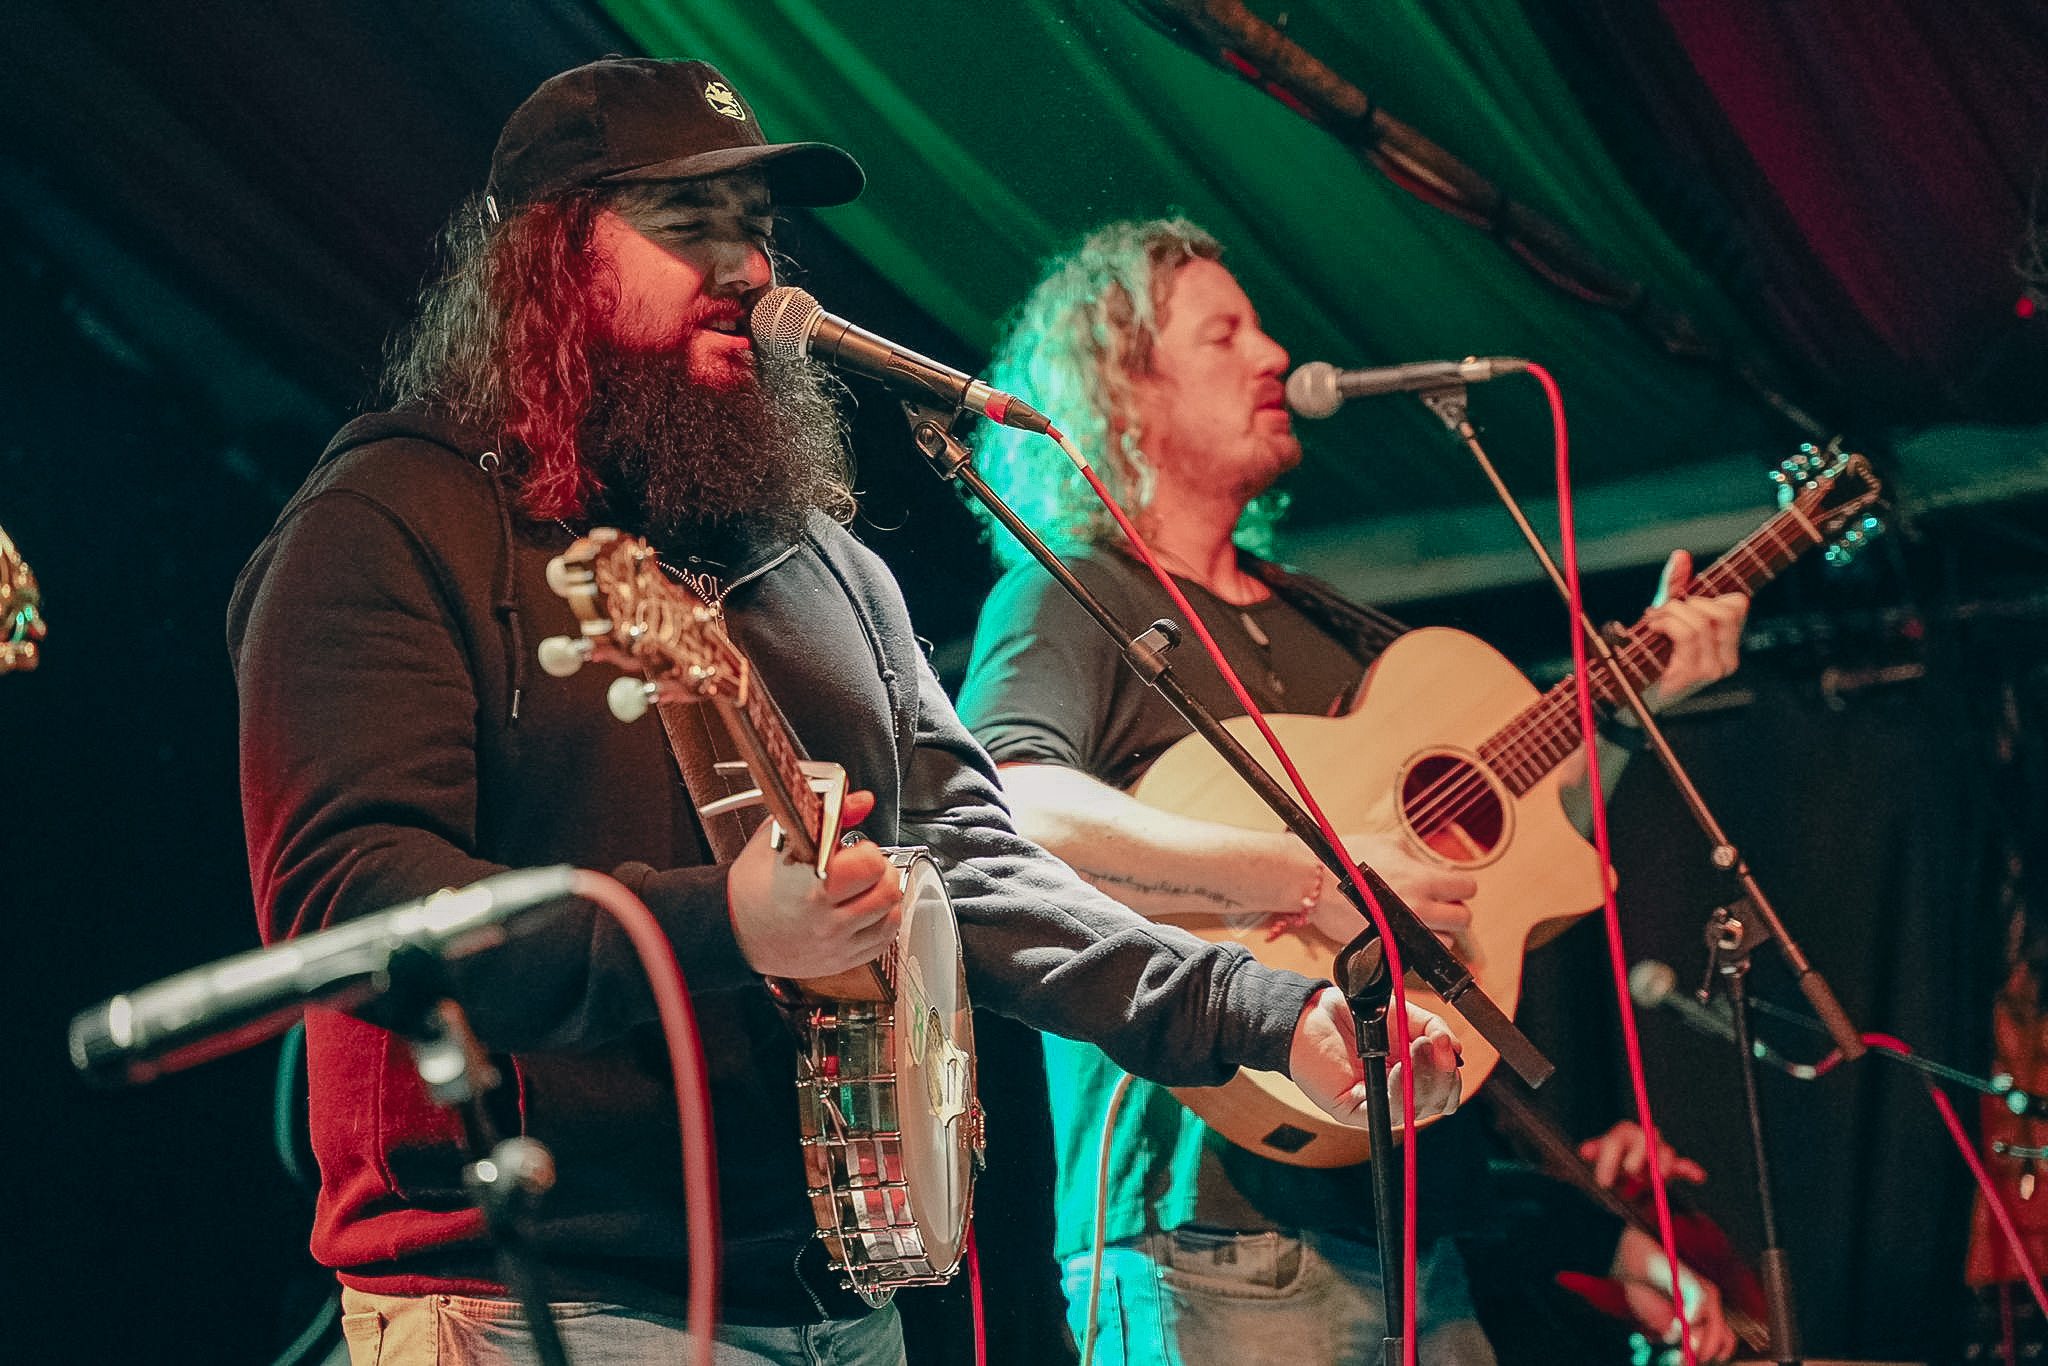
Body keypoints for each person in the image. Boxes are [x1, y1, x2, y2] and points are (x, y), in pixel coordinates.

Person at [226, 65, 1463, 1366]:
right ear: (545, 253)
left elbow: (978, 866)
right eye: (684, 220)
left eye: (754, 224)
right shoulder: (391, 519)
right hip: (535, 1298)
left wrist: (1265, 1013)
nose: (747, 267)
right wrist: (719, 921)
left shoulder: (824, 564)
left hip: (842, 1310)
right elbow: (347, 901)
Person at [954, 218, 1750, 1365]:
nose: (1273, 354)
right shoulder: (1071, 595)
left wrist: (1639, 689)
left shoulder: (1322, 623)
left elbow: (1508, 836)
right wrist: (1301, 873)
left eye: (1262, 329)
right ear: (1121, 392)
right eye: (1223, 335)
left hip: (1415, 1227)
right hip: (1204, 1224)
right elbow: (1009, 804)